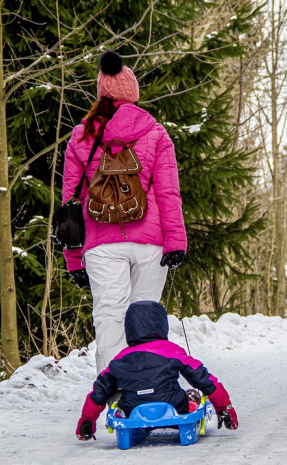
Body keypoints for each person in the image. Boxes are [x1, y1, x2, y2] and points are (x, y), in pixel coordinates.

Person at [62, 50, 187, 373]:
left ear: (101, 92)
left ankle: (113, 389)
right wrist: (176, 242)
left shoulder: (82, 136)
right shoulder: (156, 133)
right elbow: (168, 193)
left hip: (101, 243)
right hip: (151, 242)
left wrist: (73, 259)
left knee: (109, 315)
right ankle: (147, 389)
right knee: (144, 316)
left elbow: (71, 204)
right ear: (133, 93)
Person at [76, 301, 239, 441]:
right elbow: (204, 379)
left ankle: (130, 426)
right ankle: (189, 410)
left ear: (129, 327)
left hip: (132, 409)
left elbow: (99, 391)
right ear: (162, 325)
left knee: (120, 399)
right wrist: (225, 407)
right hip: (175, 407)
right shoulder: (172, 351)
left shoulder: (119, 359)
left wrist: (87, 420)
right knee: (191, 394)